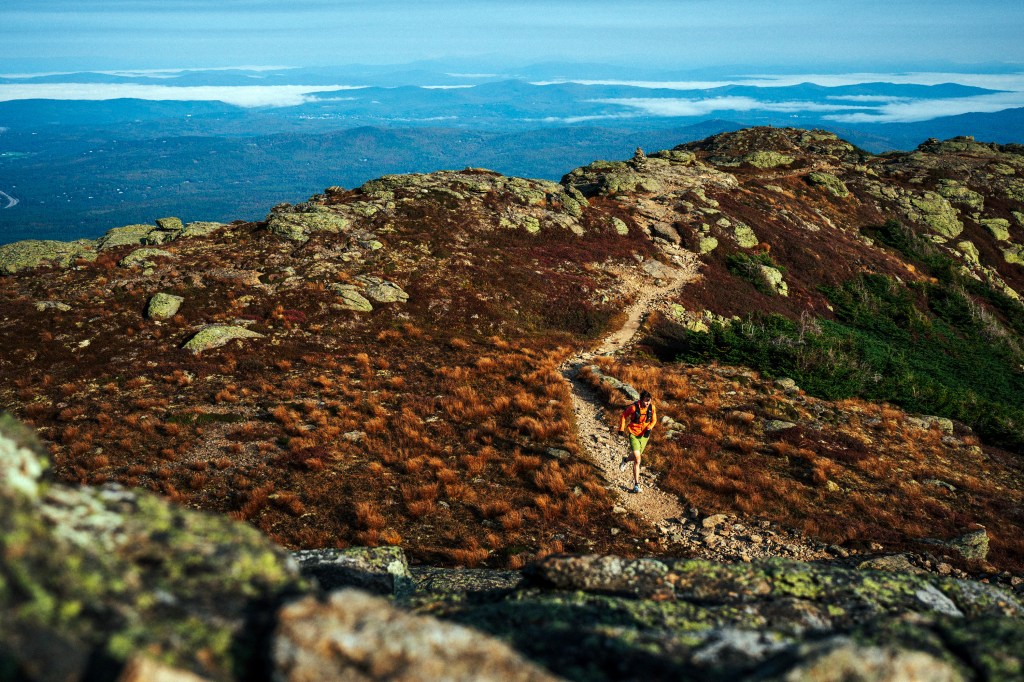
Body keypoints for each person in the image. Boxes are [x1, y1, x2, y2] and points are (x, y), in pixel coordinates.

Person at [618, 390, 656, 493]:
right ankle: (636, 485)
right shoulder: (634, 407)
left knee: (636, 456)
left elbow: (654, 420)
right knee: (638, 460)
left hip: (644, 437)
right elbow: (623, 416)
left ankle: (625, 460)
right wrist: (621, 429)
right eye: (645, 401)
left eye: (649, 401)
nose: (647, 403)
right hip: (634, 434)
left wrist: (649, 428)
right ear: (641, 399)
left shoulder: (652, 408)